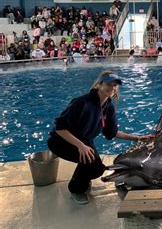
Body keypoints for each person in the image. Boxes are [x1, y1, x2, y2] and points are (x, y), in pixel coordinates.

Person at [47, 71, 153, 205]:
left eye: (115, 85)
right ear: (99, 84)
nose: (112, 88)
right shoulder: (82, 102)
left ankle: (82, 179)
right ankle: (76, 190)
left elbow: (112, 132)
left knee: (97, 168)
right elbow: (60, 127)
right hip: (61, 141)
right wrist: (81, 146)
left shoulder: (108, 107)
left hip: (83, 142)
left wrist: (137, 138)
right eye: (109, 84)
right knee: (91, 164)